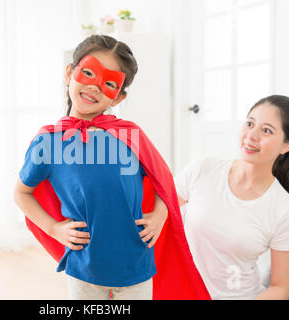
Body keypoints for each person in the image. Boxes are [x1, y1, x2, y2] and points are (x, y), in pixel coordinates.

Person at [13, 35, 210, 300]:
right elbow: (21, 193)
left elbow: (165, 182)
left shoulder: (130, 135)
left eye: (108, 83)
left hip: (137, 265)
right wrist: (53, 228)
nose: (95, 86)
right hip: (85, 267)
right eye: (88, 73)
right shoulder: (49, 141)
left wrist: (160, 214)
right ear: (70, 72)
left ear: (118, 97)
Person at [175, 95, 289, 300]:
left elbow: (279, 288)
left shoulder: (284, 210)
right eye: (250, 123)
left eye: (266, 130)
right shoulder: (204, 169)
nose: (251, 136)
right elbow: (160, 211)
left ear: (287, 146)